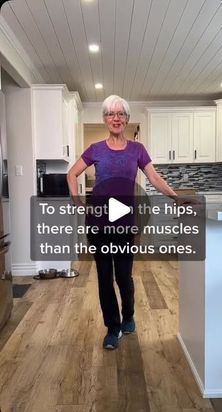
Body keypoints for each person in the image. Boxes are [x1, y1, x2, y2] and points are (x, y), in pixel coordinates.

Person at [67, 95, 177, 350]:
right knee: (105, 278)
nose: (115, 118)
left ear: (126, 119)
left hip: (124, 223)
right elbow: (71, 173)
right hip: (98, 224)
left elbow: (154, 177)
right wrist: (77, 202)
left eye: (120, 114)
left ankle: (128, 315)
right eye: (110, 114)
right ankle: (112, 327)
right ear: (105, 119)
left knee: (124, 277)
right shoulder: (95, 149)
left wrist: (176, 198)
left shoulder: (137, 150)